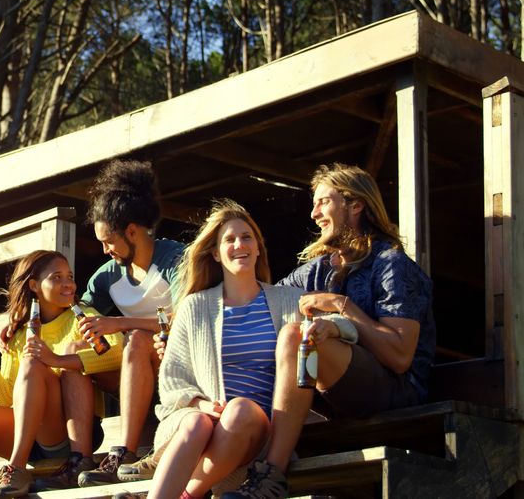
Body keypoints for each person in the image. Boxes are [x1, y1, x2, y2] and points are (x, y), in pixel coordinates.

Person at [223, 163, 435, 499]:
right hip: (332, 395)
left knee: (296, 336)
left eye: (323, 202)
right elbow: (258, 305)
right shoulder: (316, 270)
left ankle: (270, 476)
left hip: (395, 391)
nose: (314, 213)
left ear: (355, 205)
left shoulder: (391, 264)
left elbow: (399, 357)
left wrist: (342, 306)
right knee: (281, 334)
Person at [138, 200, 347, 499]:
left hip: (257, 432)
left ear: (259, 248)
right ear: (215, 253)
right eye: (230, 239)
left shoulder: (290, 300)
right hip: (203, 430)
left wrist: (334, 324)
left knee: (238, 411)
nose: (240, 244)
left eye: (247, 237)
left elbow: (348, 329)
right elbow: (172, 384)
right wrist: (202, 405)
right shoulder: (194, 307)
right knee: (196, 422)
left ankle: (187, 495)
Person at [0, 250, 124, 499]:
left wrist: (57, 360)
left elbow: (118, 354)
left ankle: (15, 467)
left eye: (70, 276)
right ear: (34, 285)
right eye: (57, 277)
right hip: (32, 438)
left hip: (72, 432)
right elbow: (6, 400)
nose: (68, 284)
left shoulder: (83, 317)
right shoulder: (19, 334)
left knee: (33, 362)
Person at [75, 159, 185, 487]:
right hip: (132, 377)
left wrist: (121, 324)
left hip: (177, 367)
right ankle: (76, 456)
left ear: (132, 231)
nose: (105, 250)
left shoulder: (175, 259)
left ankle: (124, 451)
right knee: (72, 359)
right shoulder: (108, 275)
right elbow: (78, 308)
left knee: (137, 338)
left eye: (109, 241)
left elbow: (184, 317)